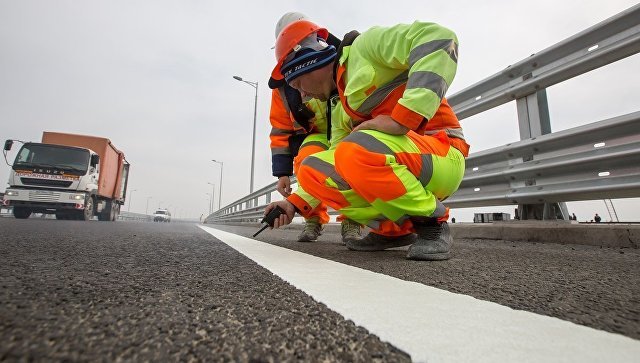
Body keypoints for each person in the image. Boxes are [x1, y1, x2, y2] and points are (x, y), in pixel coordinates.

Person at [263, 18, 469, 261]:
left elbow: (439, 38)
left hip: (442, 155)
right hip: (403, 161)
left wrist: (404, 118)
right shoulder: (339, 105)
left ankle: (432, 224)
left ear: (309, 63)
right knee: (312, 169)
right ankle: (393, 229)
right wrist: (294, 204)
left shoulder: (365, 47)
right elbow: (338, 163)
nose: (303, 95)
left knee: (354, 152)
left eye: (298, 84)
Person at [268, 12, 362, 244]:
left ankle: (353, 219)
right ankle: (313, 217)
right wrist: (282, 172)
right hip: (317, 134)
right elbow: (280, 129)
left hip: (349, 126)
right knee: (307, 159)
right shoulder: (282, 88)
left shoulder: (340, 57)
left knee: (351, 160)